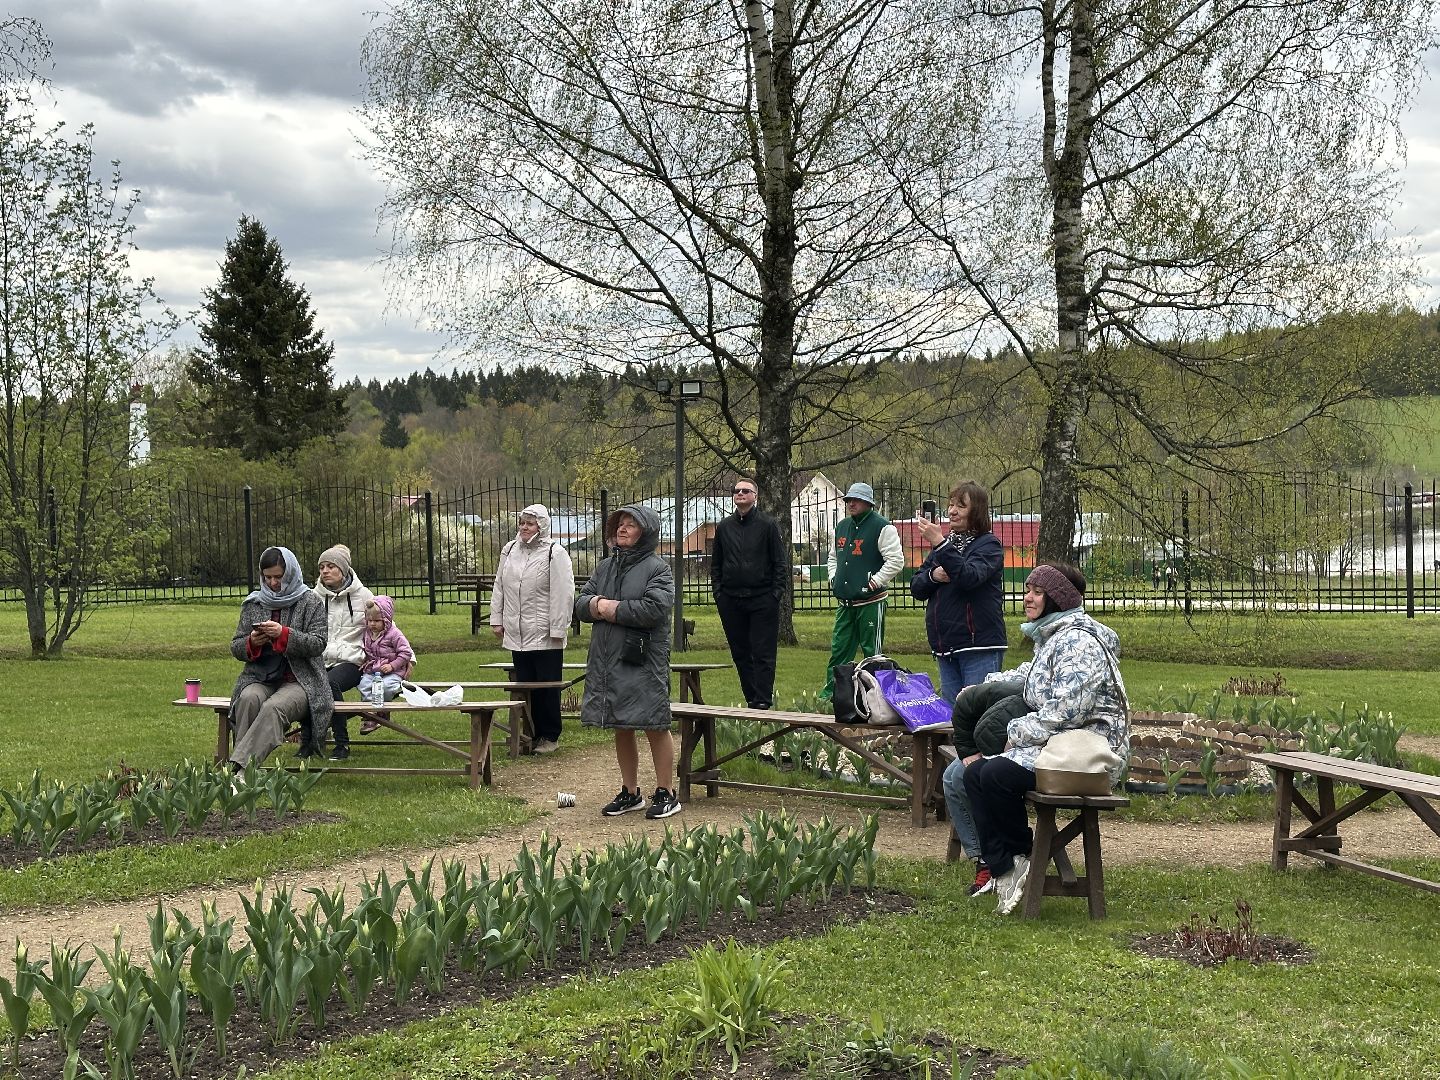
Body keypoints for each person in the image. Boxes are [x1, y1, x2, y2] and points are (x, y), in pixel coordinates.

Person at [963, 562, 1129, 915]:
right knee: (974, 775)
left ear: (1056, 599)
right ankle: (1010, 864)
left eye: (1038, 592)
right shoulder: (1052, 638)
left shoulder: (1079, 643)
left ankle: (1017, 859)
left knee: (994, 775)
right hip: (1058, 743)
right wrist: (981, 688)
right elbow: (1026, 680)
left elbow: (1070, 710)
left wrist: (1016, 733)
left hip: (1090, 750)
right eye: (1027, 590)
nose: (1029, 598)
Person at [910, 481, 1008, 897]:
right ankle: (980, 854)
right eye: (949, 504)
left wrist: (943, 546)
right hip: (946, 650)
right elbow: (916, 588)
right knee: (959, 743)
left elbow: (970, 579)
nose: (950, 510)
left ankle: (997, 844)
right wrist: (933, 570)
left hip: (979, 647)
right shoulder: (944, 546)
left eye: (959, 505)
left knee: (982, 737)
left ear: (976, 510)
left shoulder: (988, 545)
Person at [575, 504, 682, 819]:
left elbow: (654, 609)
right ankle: (630, 791)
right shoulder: (605, 567)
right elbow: (581, 603)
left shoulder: (658, 569)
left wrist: (609, 609)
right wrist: (596, 604)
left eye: (631, 524)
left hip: (643, 659)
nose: (622, 528)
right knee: (621, 724)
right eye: (619, 524)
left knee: (653, 724)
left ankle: (666, 792)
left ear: (645, 532)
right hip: (609, 659)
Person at [228, 545, 332, 766]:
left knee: (273, 708)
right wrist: (251, 643)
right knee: (248, 699)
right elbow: (236, 646)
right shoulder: (254, 603)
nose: (273, 583)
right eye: (267, 577)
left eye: (278, 577)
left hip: (301, 681)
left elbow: (318, 643)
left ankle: (239, 768)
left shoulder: (309, 601)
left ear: (291, 573)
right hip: (260, 677)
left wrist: (285, 635)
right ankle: (244, 771)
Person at [491, 504, 576, 754]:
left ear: (542, 525)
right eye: (522, 522)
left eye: (530, 523)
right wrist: (497, 618)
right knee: (524, 686)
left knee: (546, 687)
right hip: (517, 633)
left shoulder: (554, 552)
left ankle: (549, 735)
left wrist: (558, 628)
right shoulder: (509, 550)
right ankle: (527, 735)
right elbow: (500, 586)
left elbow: (564, 593)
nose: (525, 527)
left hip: (545, 633)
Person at [819, 482, 904, 702]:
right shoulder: (842, 526)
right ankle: (833, 695)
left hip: (871, 602)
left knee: (872, 653)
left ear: (868, 502)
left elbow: (895, 561)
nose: (850, 503)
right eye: (848, 499)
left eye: (855, 499)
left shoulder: (883, 527)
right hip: (845, 603)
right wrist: (833, 578)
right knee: (839, 650)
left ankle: (875, 697)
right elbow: (833, 558)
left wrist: (875, 581)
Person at [711, 478, 787, 709]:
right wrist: (719, 593)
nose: (740, 494)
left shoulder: (768, 525)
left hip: (762, 598)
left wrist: (775, 593)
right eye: (736, 491)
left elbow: (779, 564)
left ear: (755, 496)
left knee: (763, 653)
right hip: (731, 600)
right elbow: (716, 564)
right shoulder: (724, 527)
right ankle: (751, 699)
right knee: (740, 653)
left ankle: (763, 701)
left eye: (746, 491)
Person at [312, 543, 375, 758]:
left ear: (344, 569)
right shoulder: (313, 597)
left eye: (331, 566)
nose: (325, 571)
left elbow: (386, 625)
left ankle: (341, 743)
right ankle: (310, 741)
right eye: (322, 567)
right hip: (321, 659)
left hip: (353, 660)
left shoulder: (364, 595)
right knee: (306, 683)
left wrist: (408, 659)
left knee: (330, 684)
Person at [358, 596, 415, 708]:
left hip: (394, 672)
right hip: (374, 670)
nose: (372, 624)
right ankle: (370, 713)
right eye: (370, 621)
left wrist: (392, 666)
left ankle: (384, 710)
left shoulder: (394, 634)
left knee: (386, 687)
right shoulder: (367, 634)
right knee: (363, 685)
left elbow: (406, 653)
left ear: (387, 619)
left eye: (377, 621)